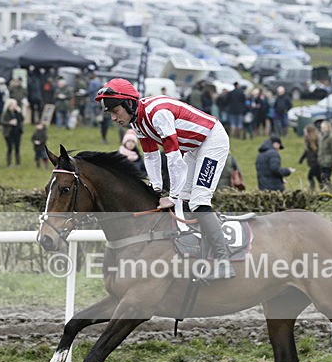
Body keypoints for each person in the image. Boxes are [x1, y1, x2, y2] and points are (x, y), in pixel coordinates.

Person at [95, 77, 235, 280]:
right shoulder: (138, 124)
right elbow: (151, 157)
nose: (114, 118)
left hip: (212, 141)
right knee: (185, 200)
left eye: (115, 111)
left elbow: (173, 156)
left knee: (198, 200)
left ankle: (224, 262)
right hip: (194, 147)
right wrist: (156, 190)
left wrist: (173, 195)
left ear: (129, 103)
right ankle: (198, 253)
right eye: (110, 114)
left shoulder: (157, 113)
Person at [317, 120, 332, 192]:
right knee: (322, 178)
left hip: (328, 161)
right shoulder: (320, 136)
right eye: (321, 127)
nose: (322, 129)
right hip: (321, 161)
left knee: (326, 178)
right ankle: (326, 191)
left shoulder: (331, 137)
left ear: (328, 128)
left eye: (324, 127)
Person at [1, 98, 24, 167]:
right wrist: (9, 122)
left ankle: (18, 163)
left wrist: (19, 112)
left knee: (17, 148)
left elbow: (22, 119)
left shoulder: (17, 112)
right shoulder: (5, 113)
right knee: (10, 147)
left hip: (17, 132)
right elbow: (2, 121)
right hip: (9, 133)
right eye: (14, 105)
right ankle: (9, 163)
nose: (15, 106)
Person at [298, 123, 321, 190]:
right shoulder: (308, 141)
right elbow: (306, 151)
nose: (304, 134)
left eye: (305, 132)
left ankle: (312, 188)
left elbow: (320, 152)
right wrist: (301, 159)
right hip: (311, 162)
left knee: (310, 176)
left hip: (316, 163)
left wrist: (318, 160)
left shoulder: (317, 141)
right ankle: (323, 188)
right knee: (319, 178)